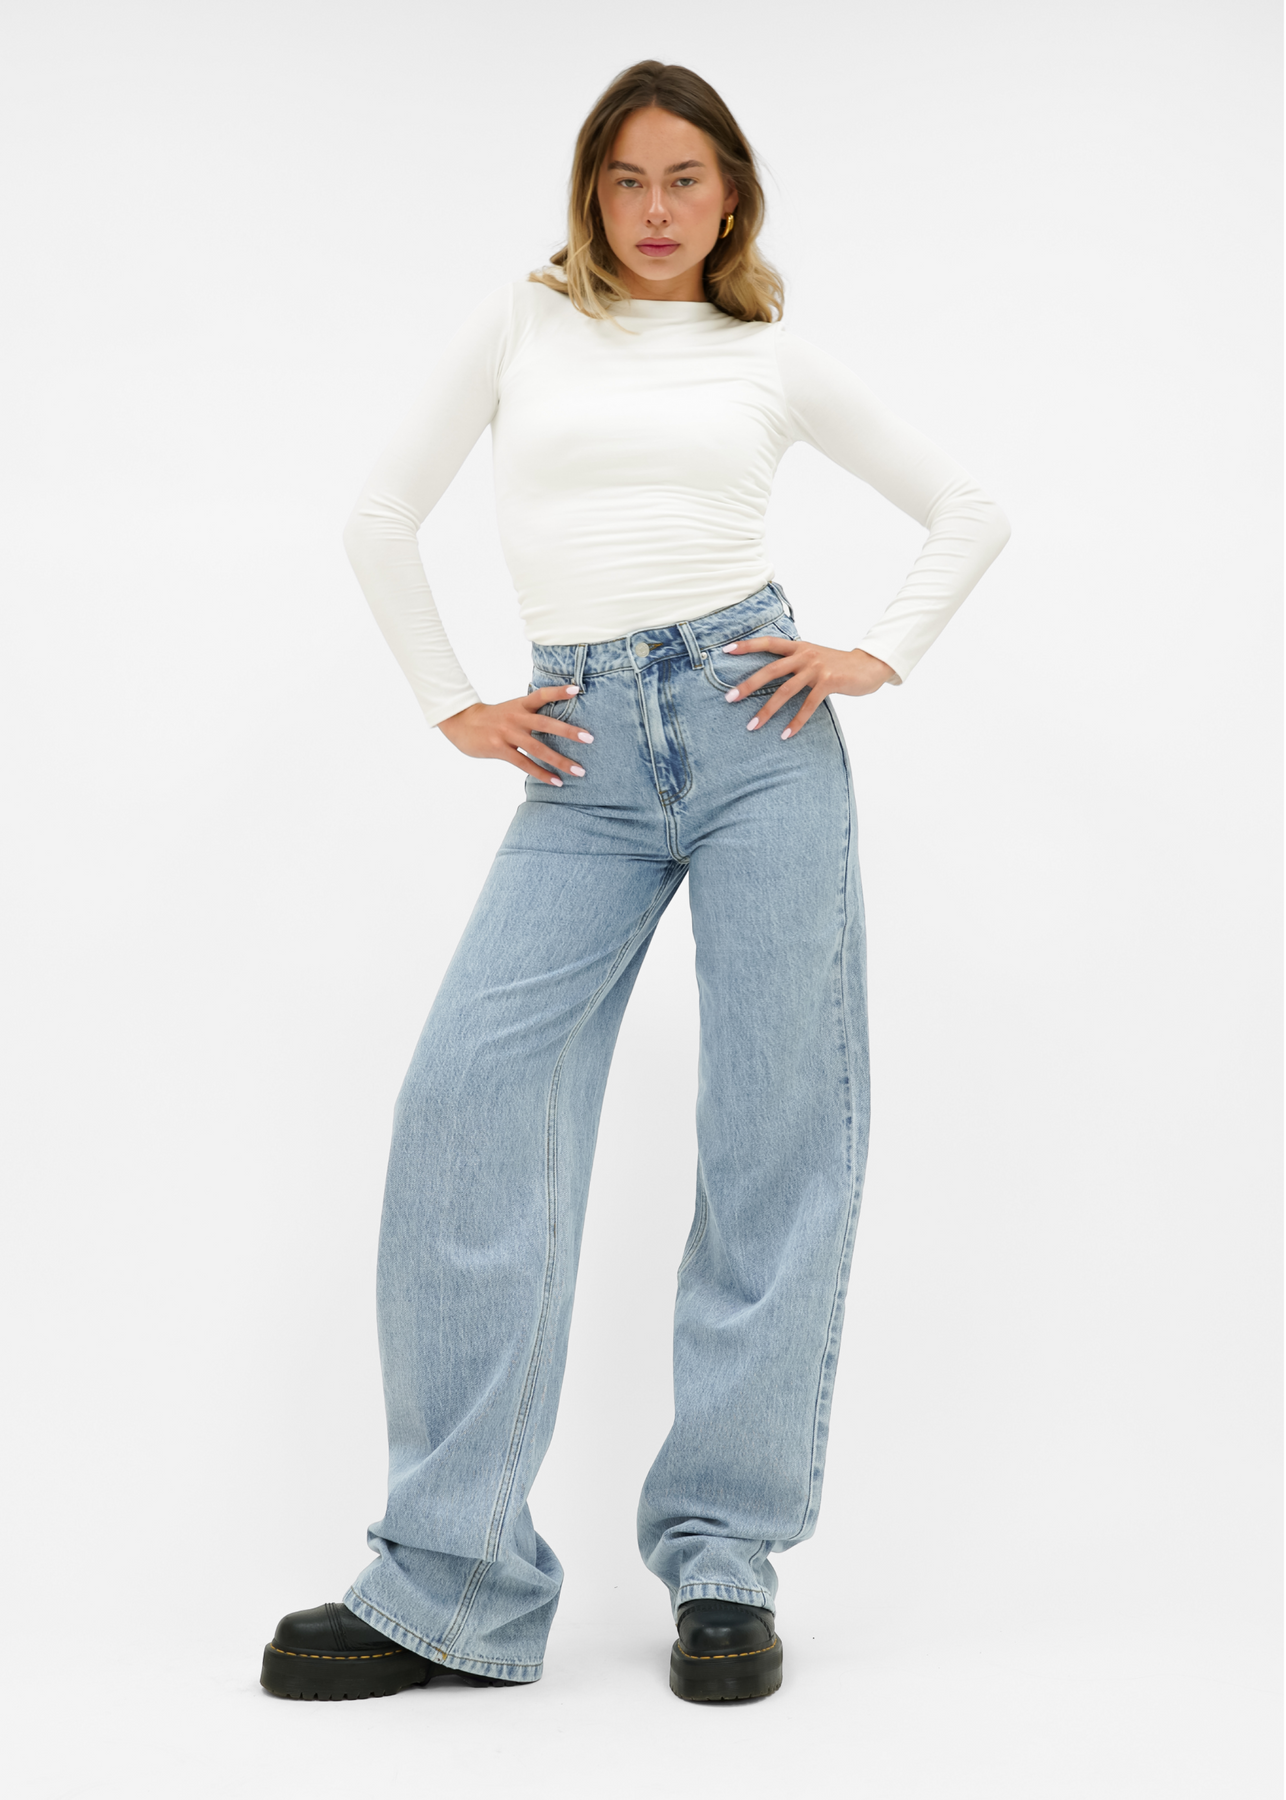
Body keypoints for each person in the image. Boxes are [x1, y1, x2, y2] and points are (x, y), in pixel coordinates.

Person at [259, 59, 1009, 1707]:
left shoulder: (768, 355)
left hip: (760, 735)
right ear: (588, 194)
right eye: (625, 179)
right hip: (577, 756)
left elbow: (966, 509)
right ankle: (450, 1580)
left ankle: (724, 1558)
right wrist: (454, 702)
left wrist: (874, 651)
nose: (654, 209)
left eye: (685, 179)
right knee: (465, 1103)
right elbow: (380, 516)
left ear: (729, 195)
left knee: (773, 1136)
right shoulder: (522, 324)